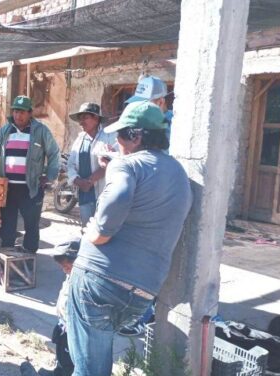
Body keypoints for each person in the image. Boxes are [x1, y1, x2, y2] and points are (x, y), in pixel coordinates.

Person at [66, 101, 192, 375]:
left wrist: (96, 233)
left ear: (136, 137)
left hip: (99, 283)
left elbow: (120, 196)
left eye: (121, 136)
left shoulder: (126, 167)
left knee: (90, 370)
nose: (118, 142)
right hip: (143, 293)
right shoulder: (178, 172)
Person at [118, 75, 172, 336]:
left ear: (161, 102)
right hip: (145, 200)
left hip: (161, 204)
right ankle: (141, 313)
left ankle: (144, 316)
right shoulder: (147, 129)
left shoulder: (172, 127)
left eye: (148, 103)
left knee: (150, 266)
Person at [0, 95, 60, 253]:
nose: (18, 115)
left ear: (29, 113)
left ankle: (29, 256)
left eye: (22, 112)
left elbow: (54, 153)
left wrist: (49, 176)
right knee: (7, 223)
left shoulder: (40, 131)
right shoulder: (5, 130)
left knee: (31, 224)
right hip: (8, 187)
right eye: (15, 111)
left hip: (31, 187)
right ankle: (7, 255)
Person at [67, 103, 117, 227]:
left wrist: (89, 181)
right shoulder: (79, 140)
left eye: (85, 118)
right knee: (87, 229)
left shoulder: (109, 137)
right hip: (85, 195)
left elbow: (112, 163)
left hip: (104, 194)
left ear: (96, 119)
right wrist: (78, 181)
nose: (81, 122)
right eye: (80, 118)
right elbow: (70, 165)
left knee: (104, 229)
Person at [39, 237, 81, 376]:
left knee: (70, 360)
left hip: (74, 330)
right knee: (61, 354)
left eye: (67, 267)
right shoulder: (71, 274)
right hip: (63, 324)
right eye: (62, 267)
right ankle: (59, 371)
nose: (64, 270)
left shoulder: (82, 281)